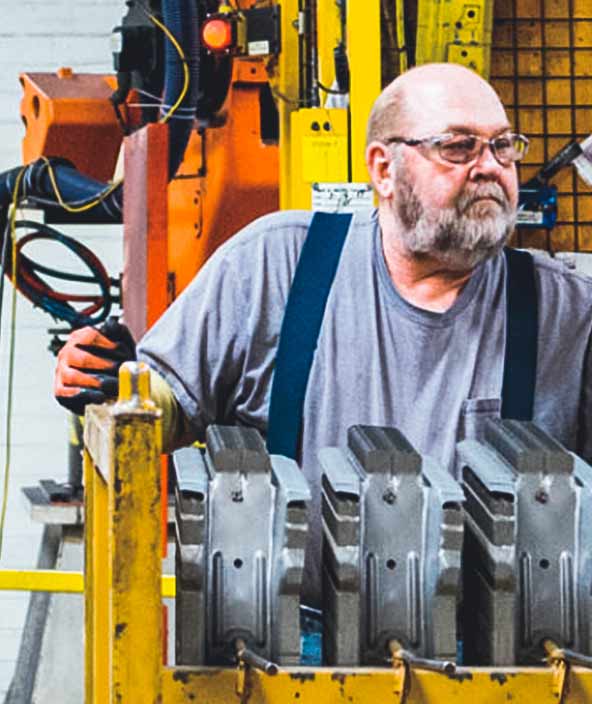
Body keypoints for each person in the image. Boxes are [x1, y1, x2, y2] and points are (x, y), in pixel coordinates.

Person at [54, 62, 592, 606]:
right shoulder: (274, 265)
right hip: (291, 659)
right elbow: (170, 405)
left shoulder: (566, 312)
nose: (490, 168)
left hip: (497, 671)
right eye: (457, 148)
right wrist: (118, 383)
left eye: (504, 147)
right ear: (383, 169)